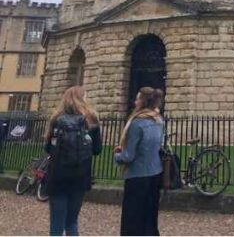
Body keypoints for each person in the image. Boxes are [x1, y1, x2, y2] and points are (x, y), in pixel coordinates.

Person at [43, 86, 103, 236]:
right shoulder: (91, 119)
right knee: (72, 221)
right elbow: (97, 150)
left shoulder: (57, 118)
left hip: (58, 175)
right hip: (80, 175)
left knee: (56, 222)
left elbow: (48, 148)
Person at [115, 87, 165, 236]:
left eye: (137, 98)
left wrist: (117, 155)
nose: (134, 101)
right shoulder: (158, 120)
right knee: (150, 218)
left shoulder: (137, 123)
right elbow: (159, 145)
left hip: (137, 176)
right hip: (155, 174)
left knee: (132, 221)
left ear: (142, 101)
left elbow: (129, 156)